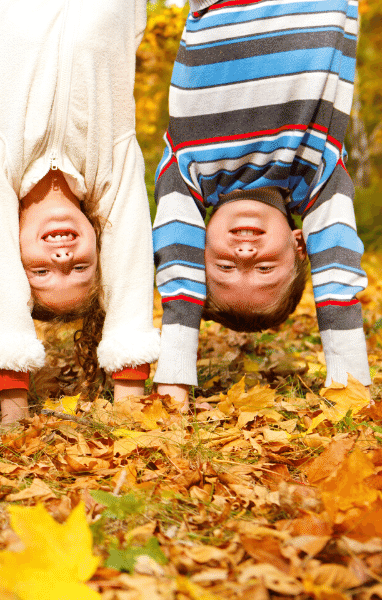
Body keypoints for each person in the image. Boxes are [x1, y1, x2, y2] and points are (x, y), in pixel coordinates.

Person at [0, 0, 161, 423]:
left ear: (15, 261)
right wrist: (132, 407)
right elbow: (132, 257)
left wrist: (14, 414)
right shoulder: (110, 166)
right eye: (81, 269)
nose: (62, 259)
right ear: (100, 250)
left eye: (41, 273)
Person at [152, 0, 369, 408]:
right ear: (301, 244)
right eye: (265, 268)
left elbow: (176, 267)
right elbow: (338, 277)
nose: (245, 253)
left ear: (198, 249)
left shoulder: (188, 169)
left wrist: (174, 381)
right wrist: (351, 396)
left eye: (226, 266)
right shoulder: (317, 173)